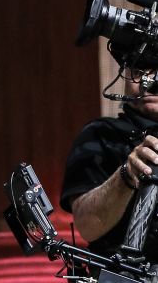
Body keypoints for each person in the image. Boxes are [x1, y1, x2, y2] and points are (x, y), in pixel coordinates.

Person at [61, 68, 158, 265]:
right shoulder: (99, 135)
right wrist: (126, 176)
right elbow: (87, 226)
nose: (148, 84)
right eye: (138, 73)